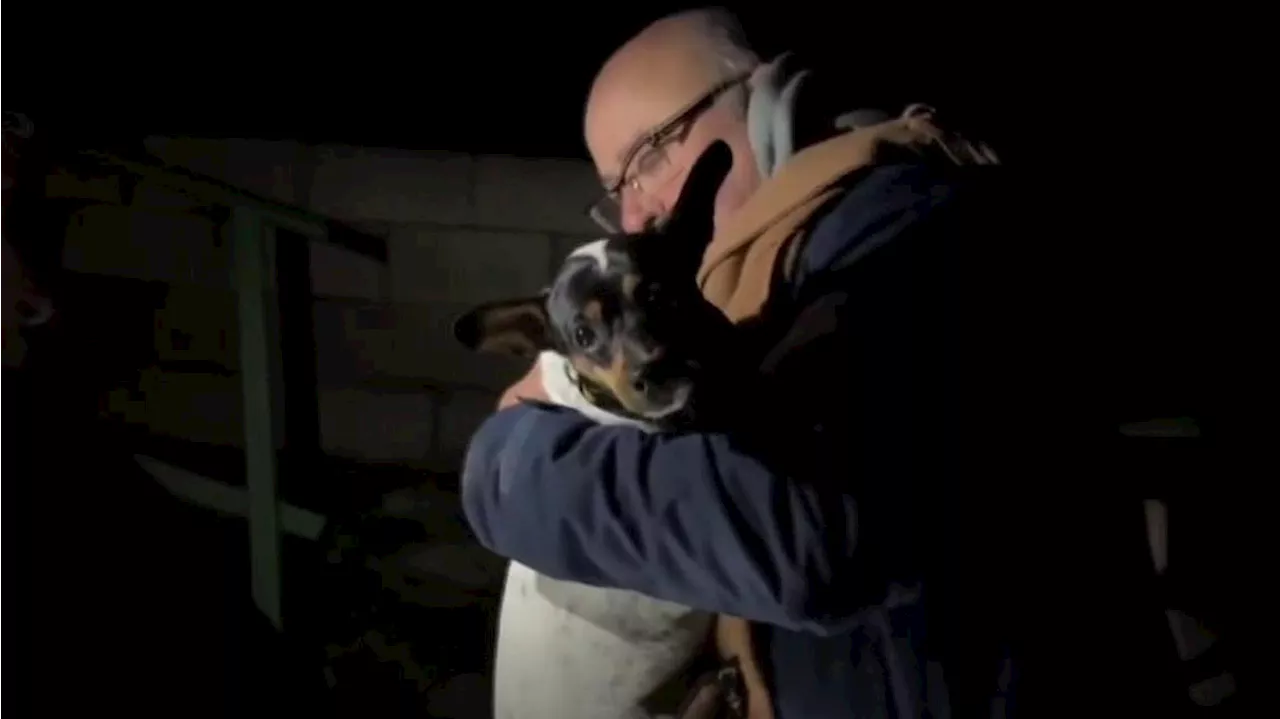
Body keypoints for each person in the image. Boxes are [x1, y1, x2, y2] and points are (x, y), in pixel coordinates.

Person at [463, 11, 1180, 718]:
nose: (636, 217)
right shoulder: (792, 268)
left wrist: (509, 463)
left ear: (767, 96)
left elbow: (801, 526)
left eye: (649, 156)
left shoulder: (903, 229)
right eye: (616, 192)